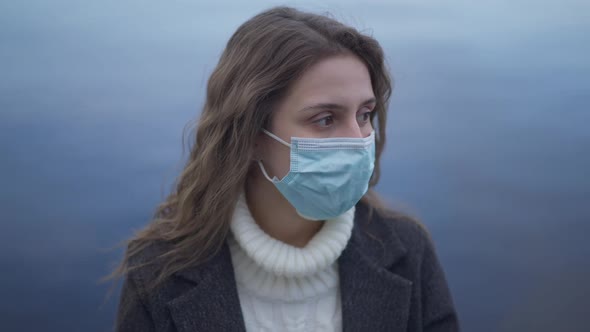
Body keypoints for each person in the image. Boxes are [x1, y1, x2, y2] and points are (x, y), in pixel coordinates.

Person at [112, 5, 459, 332]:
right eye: (325, 119)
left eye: (365, 114)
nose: (358, 140)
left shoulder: (409, 251)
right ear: (251, 135)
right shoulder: (159, 272)